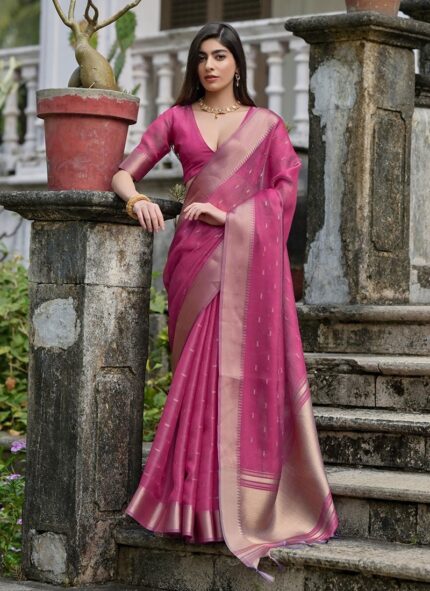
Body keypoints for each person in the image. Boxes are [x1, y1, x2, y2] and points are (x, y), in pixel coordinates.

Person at [111, 21, 338, 581]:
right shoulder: (176, 119)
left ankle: (231, 507)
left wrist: (230, 215)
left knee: (231, 379)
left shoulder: (266, 125)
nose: (210, 66)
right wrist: (138, 200)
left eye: (219, 56)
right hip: (193, 262)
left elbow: (285, 191)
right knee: (196, 380)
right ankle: (188, 506)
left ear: (237, 63)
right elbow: (124, 171)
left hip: (240, 260)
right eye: (202, 57)